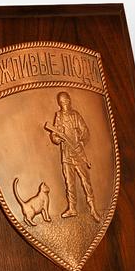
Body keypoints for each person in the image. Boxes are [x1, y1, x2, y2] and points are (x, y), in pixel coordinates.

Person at [49, 92, 100, 222]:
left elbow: (85, 131)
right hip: (66, 155)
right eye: (61, 101)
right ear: (59, 103)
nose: (64, 103)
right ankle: (72, 208)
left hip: (78, 154)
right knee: (69, 183)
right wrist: (57, 138)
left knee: (86, 181)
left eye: (66, 100)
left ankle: (93, 208)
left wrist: (81, 142)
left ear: (69, 100)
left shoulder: (76, 115)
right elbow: (54, 136)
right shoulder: (59, 116)